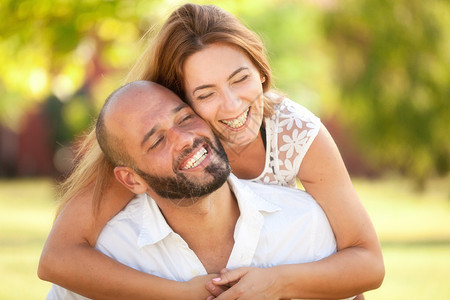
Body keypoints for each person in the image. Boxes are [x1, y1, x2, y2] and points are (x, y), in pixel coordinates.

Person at [38, 3, 384, 299]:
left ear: (261, 71)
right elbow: (58, 258)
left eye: (240, 79)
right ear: (180, 99)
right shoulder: (161, 151)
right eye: (205, 94)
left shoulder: (293, 133)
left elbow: (366, 261)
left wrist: (275, 281)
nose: (232, 106)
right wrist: (184, 294)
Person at [47, 80, 355, 300]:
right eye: (156, 142)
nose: (183, 139)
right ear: (132, 180)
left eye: (185, 118)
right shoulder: (111, 256)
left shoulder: (305, 225)